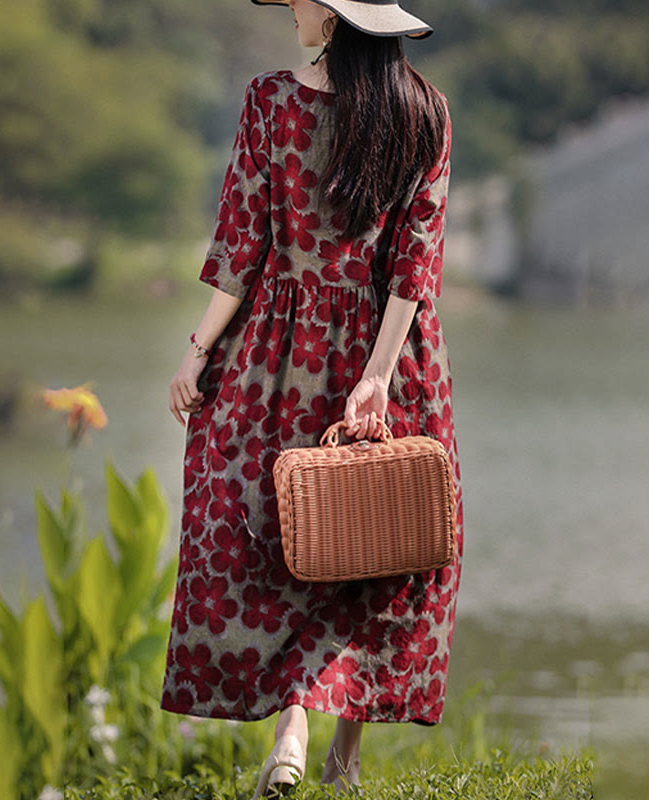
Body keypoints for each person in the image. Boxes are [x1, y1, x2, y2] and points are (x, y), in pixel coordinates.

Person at [160, 0, 465, 796]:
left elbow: (242, 241)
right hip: (392, 357)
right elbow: (415, 267)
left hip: (277, 350)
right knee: (379, 539)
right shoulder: (426, 114)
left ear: (331, 16)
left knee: (277, 531)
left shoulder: (271, 101)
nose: (290, 8)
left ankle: (291, 727)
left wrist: (197, 351)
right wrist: (376, 376)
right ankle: (344, 756)